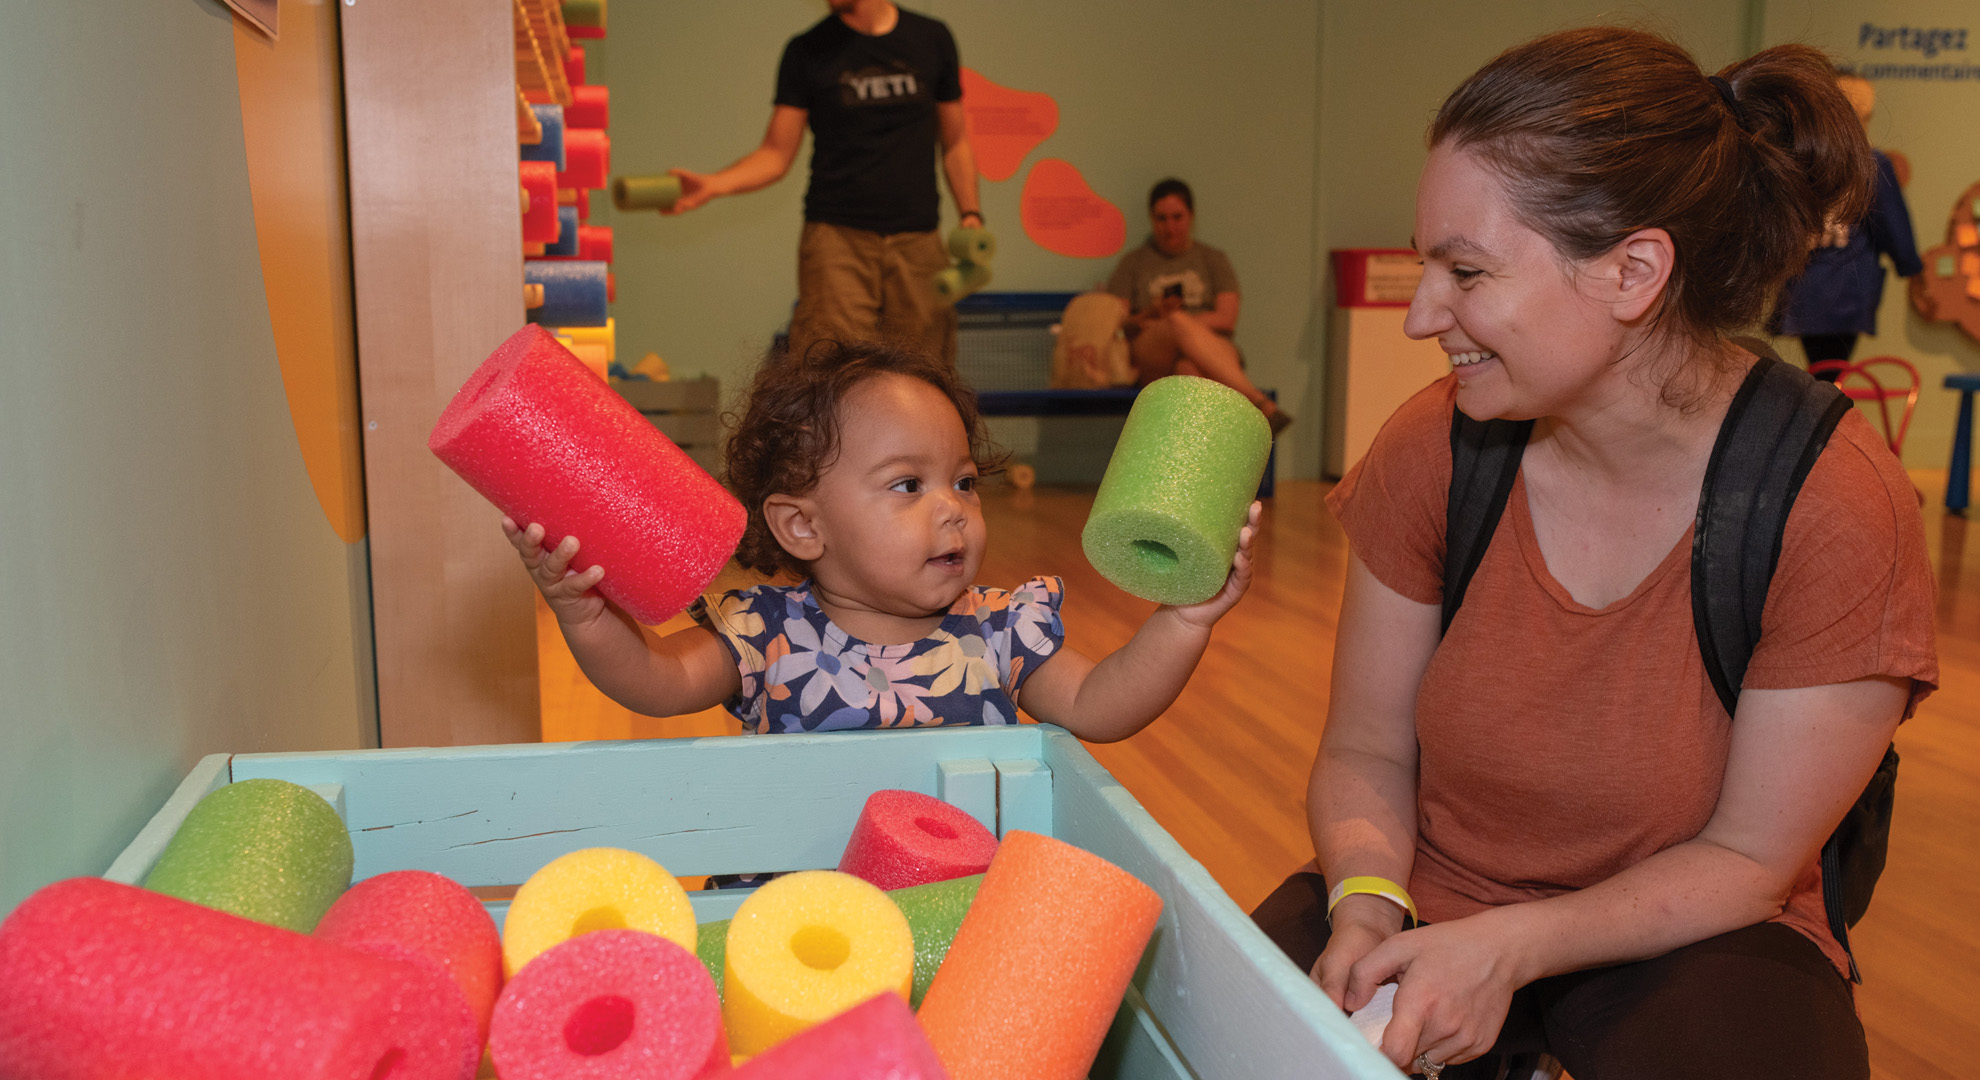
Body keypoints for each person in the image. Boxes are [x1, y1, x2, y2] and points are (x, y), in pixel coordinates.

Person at [1251, 28, 1937, 1078]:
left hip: (1697, 927)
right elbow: (1366, 751)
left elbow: (1750, 862)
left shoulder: (1835, 502)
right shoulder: (1432, 445)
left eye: (1466, 270)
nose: (1423, 314)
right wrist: (1364, 897)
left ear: (1633, 271)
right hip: (1428, 890)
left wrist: (1510, 948)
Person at [503, 339, 1259, 741]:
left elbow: (1102, 705)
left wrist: (1184, 619)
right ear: (803, 525)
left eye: (963, 481)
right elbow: (655, 684)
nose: (953, 509)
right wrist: (587, 614)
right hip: (805, 935)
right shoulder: (766, 635)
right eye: (908, 486)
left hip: (960, 924)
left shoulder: (998, 633)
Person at [662, 0, 981, 366]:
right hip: (837, 242)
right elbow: (775, 154)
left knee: (925, 371)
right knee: (831, 370)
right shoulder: (807, 50)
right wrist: (714, 184)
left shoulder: (931, 38)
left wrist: (971, 214)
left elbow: (955, 142)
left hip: (919, 241)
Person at [1099, 178, 1292, 434]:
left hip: (1210, 349)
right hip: (1153, 351)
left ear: (1191, 216)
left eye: (1177, 217)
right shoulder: (1133, 263)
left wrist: (1184, 327)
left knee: (1188, 369)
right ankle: (1258, 402)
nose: (1170, 227)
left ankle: (1196, 465)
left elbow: (1226, 318)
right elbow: (1120, 326)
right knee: (1176, 320)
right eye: (1161, 219)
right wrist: (1157, 316)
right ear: (1151, 219)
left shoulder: (1213, 259)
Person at [1777, 71, 1923, 376]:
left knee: (1822, 374)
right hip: (1846, 289)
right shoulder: (1871, 164)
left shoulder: (1802, 159)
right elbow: (1892, 225)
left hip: (1802, 287)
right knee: (1831, 379)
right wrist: (1911, 267)